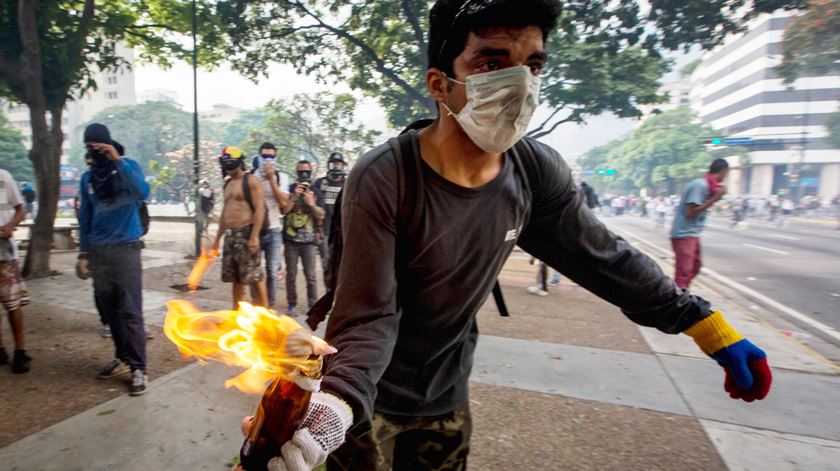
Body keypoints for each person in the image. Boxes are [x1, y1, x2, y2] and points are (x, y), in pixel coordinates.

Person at [235, 2, 772, 470]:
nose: (520, 84)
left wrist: (702, 322)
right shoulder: (385, 176)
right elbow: (370, 314)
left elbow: (604, 257)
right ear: (440, 84)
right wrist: (336, 408)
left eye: (532, 65)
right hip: (363, 394)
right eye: (492, 63)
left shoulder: (534, 173)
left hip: (445, 391)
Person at [76, 123, 150, 395]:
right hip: (99, 251)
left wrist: (117, 160)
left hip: (126, 248)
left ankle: (139, 368)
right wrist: (83, 252)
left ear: (109, 144)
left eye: (99, 145)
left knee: (131, 310)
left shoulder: (128, 166)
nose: (94, 151)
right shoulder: (87, 179)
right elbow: (85, 217)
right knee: (109, 310)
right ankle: (123, 355)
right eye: (89, 146)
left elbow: (142, 192)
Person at [211, 146, 268, 309]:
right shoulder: (227, 184)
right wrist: (217, 239)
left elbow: (259, 209)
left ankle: (265, 312)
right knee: (235, 277)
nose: (228, 166)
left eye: (231, 162)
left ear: (239, 162)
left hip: (246, 233)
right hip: (230, 236)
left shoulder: (250, 181)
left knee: (254, 276)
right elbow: (224, 213)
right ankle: (236, 312)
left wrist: (254, 236)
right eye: (225, 163)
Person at [670, 159, 729, 289]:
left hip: (692, 233)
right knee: (684, 272)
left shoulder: (708, 186)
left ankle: (679, 293)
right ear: (723, 172)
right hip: (684, 233)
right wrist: (714, 199)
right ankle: (678, 299)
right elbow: (689, 212)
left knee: (695, 266)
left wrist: (714, 195)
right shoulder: (700, 186)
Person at [281, 160, 325, 315]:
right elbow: (284, 211)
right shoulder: (290, 189)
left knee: (311, 275)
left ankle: (313, 305)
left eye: (306, 172)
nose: (304, 175)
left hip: (309, 242)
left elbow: (321, 214)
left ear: (311, 173)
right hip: (291, 240)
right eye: (301, 172)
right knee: (291, 275)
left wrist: (311, 203)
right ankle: (291, 305)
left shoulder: (315, 191)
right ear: (297, 173)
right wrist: (294, 196)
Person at [250, 143, 291, 308]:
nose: (268, 159)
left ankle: (269, 304)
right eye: (265, 156)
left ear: (275, 158)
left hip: (274, 230)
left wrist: (272, 179)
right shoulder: (251, 177)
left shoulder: (282, 178)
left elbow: (283, 202)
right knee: (254, 270)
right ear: (259, 157)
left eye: (271, 156)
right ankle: (256, 303)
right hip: (255, 230)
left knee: (273, 272)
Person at [0, 169, 31, 373]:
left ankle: (20, 351)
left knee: (12, 303)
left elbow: (21, 208)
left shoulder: (3, 177)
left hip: (3, 252)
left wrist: (10, 225)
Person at [313, 152, 348, 288]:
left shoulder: (347, 182)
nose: (336, 166)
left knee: (343, 264)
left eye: (338, 164)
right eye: (333, 163)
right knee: (326, 263)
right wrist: (318, 229)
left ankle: (340, 295)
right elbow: (315, 207)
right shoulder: (320, 183)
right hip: (326, 229)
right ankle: (328, 294)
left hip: (343, 230)